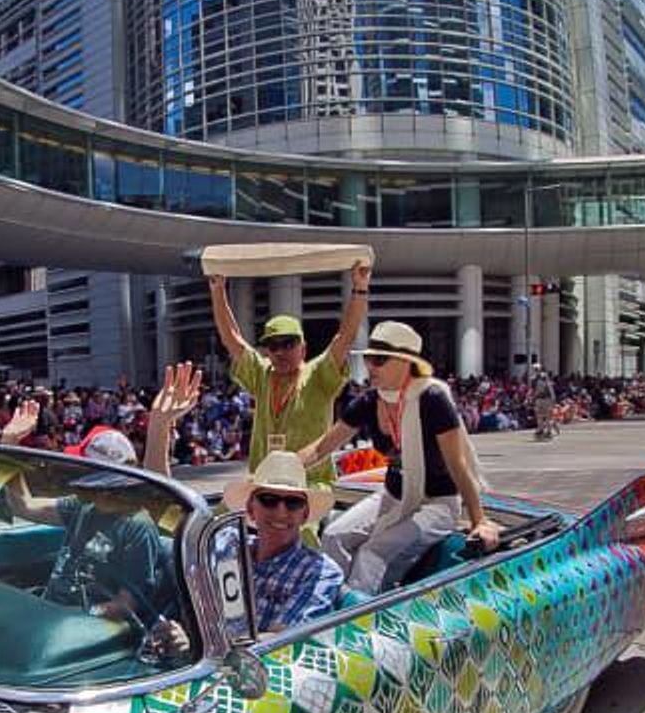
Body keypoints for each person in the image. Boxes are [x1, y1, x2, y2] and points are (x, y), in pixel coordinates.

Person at [300, 321, 501, 594]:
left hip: (437, 504)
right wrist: (279, 469)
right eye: (368, 359)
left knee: (372, 554)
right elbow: (321, 448)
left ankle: (359, 615)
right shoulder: (369, 402)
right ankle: (327, 603)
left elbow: (458, 465)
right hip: (393, 496)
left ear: (406, 362)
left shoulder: (432, 399)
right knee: (334, 535)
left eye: (379, 360)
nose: (370, 367)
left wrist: (479, 521)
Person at [209, 256, 371, 482]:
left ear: (303, 348)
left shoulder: (319, 373)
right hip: (263, 484)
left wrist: (360, 289)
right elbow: (231, 338)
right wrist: (218, 291)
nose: (280, 351)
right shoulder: (261, 374)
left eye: (288, 344)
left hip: (311, 484)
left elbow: (345, 336)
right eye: (273, 345)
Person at [223, 452, 344, 631]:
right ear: (251, 508)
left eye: (293, 502)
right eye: (269, 500)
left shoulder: (320, 571)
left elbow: (282, 639)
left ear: (305, 514)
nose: (281, 512)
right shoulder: (227, 544)